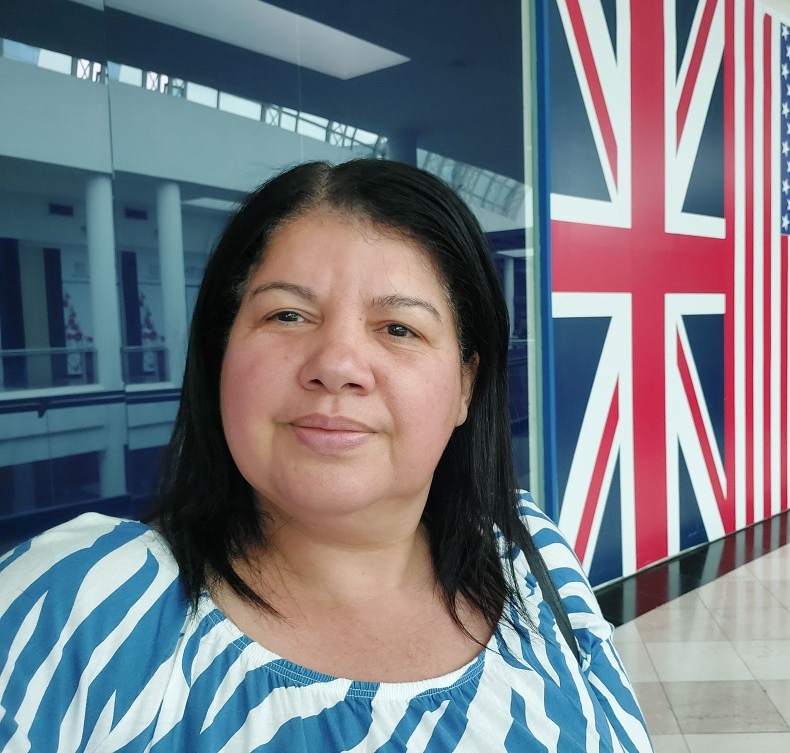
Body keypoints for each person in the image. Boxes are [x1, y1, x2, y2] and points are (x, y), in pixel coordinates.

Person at [0, 160, 653, 751]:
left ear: (465, 385)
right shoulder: (73, 611)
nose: (336, 364)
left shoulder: (527, 555)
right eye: (287, 315)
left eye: (398, 328)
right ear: (220, 352)